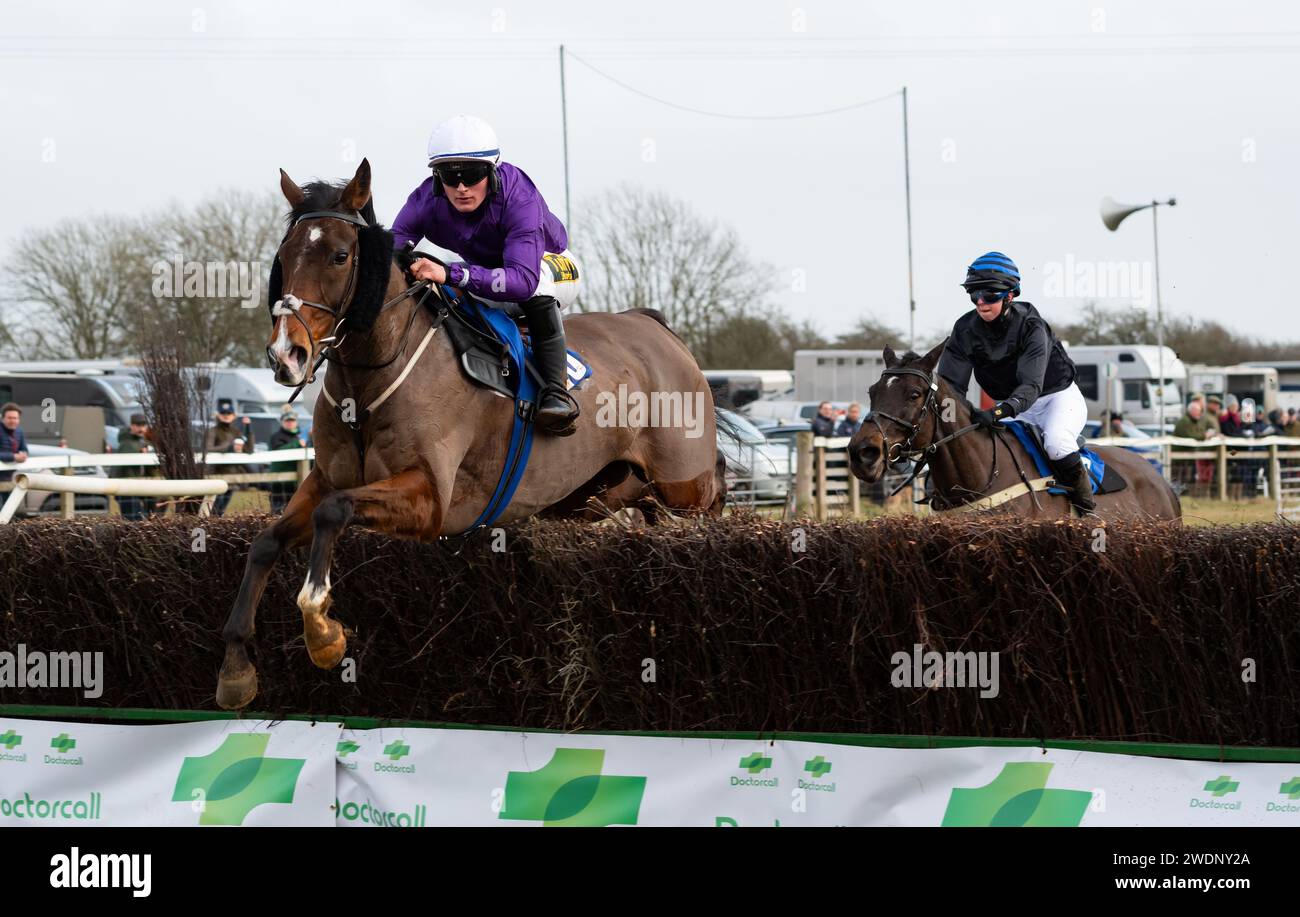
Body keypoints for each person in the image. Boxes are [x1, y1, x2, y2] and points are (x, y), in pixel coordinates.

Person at [393, 114, 581, 435]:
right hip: (489, 272)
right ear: (437, 178)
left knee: (536, 289)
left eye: (473, 174)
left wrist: (449, 272)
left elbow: (522, 282)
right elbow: (391, 248)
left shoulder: (519, 197)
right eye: (450, 177)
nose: (461, 187)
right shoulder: (427, 198)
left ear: (492, 170)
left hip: (548, 265)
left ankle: (555, 390)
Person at [936, 251, 1095, 511]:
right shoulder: (964, 329)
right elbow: (951, 387)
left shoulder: (1032, 326)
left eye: (989, 296)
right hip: (1014, 406)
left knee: (1056, 443)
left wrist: (997, 412)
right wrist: (950, 421)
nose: (981, 303)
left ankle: (1087, 512)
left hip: (1057, 399)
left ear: (1010, 295)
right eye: (974, 296)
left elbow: (1030, 386)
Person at [205, 398, 256, 516]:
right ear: (218, 415)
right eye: (223, 413)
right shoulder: (213, 431)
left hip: (233, 476)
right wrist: (228, 448)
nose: (226, 416)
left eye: (229, 413)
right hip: (217, 474)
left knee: (222, 508)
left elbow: (249, 450)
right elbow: (208, 449)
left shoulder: (236, 432)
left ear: (234, 416)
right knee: (214, 506)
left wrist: (248, 428)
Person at [113, 413, 155, 520]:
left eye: (143, 425)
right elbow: (127, 453)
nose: (141, 428)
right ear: (132, 426)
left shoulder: (145, 441)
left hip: (140, 484)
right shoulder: (126, 442)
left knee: (151, 509)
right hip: (125, 485)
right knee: (133, 518)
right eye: (138, 425)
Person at [267, 406, 305, 514]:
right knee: (278, 512)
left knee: (293, 511)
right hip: (279, 480)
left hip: (296, 480)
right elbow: (278, 452)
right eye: (287, 421)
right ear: (282, 422)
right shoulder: (276, 437)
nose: (290, 423)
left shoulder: (298, 436)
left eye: (292, 420)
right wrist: (296, 444)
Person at [1172, 399, 1214, 496]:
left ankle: (1186, 494)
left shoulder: (1194, 421)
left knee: (1187, 476)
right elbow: (1192, 435)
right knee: (1179, 476)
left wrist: (1203, 435)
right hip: (1179, 455)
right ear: (1192, 411)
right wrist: (1205, 436)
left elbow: (1198, 433)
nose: (1199, 414)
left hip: (1188, 455)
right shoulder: (1184, 421)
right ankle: (1178, 495)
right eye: (1198, 411)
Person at [0, 403, 29, 484]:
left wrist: (23, 455)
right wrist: (14, 457)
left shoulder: (19, 431)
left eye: (15, 418)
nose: (12, 421)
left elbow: (24, 449)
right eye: (9, 418)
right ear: (3, 418)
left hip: (11, 476)